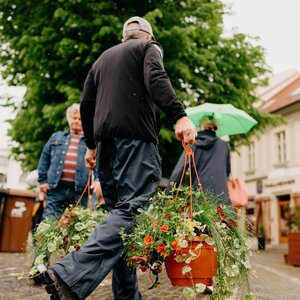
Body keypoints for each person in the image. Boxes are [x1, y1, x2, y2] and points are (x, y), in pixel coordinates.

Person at [42, 16, 196, 300]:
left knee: (121, 221)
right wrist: (180, 115)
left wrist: (90, 146)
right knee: (134, 210)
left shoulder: (102, 59)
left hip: (106, 146)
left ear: (124, 36)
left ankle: (126, 296)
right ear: (147, 36)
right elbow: (156, 77)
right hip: (135, 141)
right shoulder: (149, 48)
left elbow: (87, 104)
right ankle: (68, 272)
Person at [37, 103, 102, 221]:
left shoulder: (91, 142)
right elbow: (44, 159)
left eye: (80, 118)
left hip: (80, 192)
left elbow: (98, 162)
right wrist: (42, 181)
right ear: (68, 118)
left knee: (78, 227)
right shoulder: (56, 137)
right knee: (49, 223)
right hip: (56, 190)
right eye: (74, 118)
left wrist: (98, 180)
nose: (77, 121)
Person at [167, 118, 231, 204]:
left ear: (200, 127)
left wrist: (167, 195)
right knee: (223, 217)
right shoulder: (224, 145)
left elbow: (179, 171)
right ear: (215, 128)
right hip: (222, 198)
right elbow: (227, 171)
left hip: (199, 197)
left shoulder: (193, 145)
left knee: (200, 217)